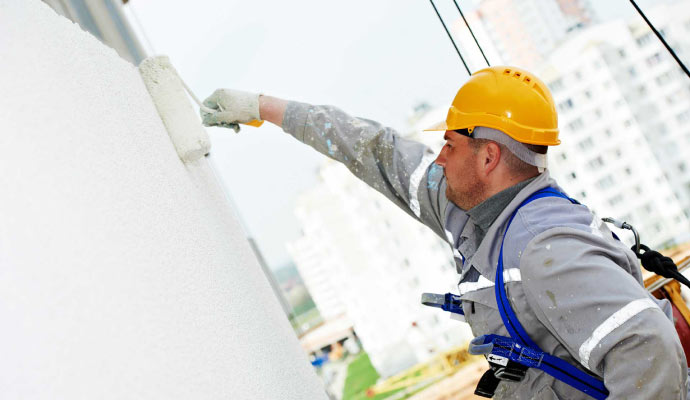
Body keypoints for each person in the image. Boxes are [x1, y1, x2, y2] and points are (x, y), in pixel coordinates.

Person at [201, 66, 688, 398]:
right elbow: (378, 151)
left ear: (489, 156)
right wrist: (262, 107)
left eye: (449, 143)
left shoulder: (544, 247)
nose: (438, 156)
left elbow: (648, 350)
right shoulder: (472, 210)